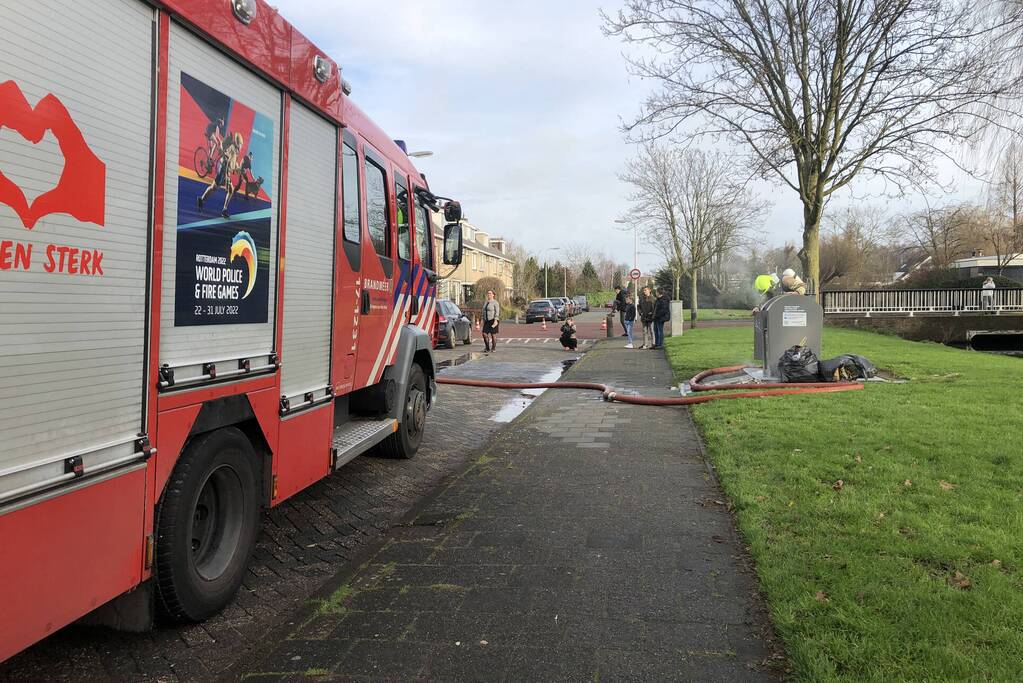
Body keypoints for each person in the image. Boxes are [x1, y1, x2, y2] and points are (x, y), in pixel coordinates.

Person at [198, 131, 243, 219]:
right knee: (216, 188)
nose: (241, 146)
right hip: (223, 170)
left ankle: (203, 200)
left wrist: (238, 169)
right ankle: (221, 208)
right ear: (238, 143)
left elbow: (233, 163)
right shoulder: (233, 149)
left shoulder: (235, 150)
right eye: (241, 144)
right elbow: (227, 162)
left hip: (224, 170)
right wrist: (226, 178)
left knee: (220, 188)